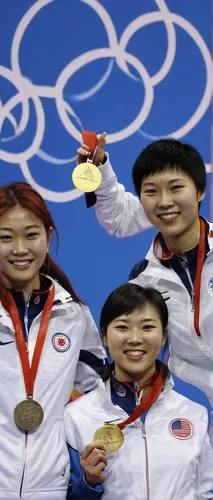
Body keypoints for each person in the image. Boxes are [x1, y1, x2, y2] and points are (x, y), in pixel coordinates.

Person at [77, 137, 213, 416]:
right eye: (151, 191)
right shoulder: (144, 280)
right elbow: (118, 217)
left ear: (200, 191)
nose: (165, 202)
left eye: (176, 188)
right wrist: (99, 168)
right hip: (194, 409)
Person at [0, 181, 107, 500]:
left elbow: (99, 397)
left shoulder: (73, 316)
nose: (20, 249)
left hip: (50, 488)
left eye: (31, 235)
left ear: (48, 236)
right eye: (6, 237)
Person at [65, 283, 213, 500]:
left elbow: (206, 493)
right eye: (123, 327)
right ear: (104, 336)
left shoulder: (196, 415)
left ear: (163, 336)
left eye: (147, 327)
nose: (135, 338)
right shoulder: (75, 417)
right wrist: (89, 484)